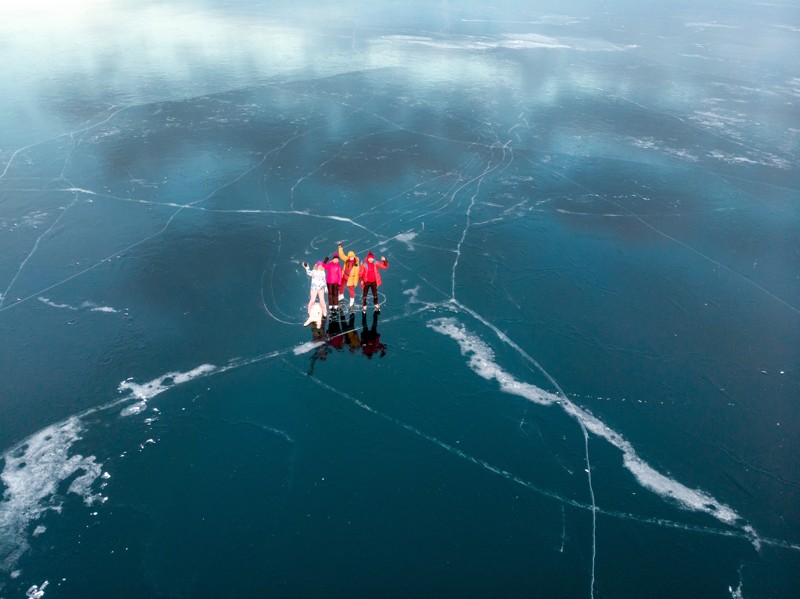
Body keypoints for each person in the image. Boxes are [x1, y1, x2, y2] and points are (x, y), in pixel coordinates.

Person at [337, 242, 360, 309]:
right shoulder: (347, 260)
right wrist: (340, 247)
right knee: (341, 286)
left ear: (354, 256)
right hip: (344, 276)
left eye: (352, 256)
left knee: (351, 291)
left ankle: (351, 303)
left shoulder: (356, 264)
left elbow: (356, 275)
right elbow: (341, 255)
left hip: (351, 279)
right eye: (350, 256)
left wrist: (355, 283)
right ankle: (341, 297)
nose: (351, 257)